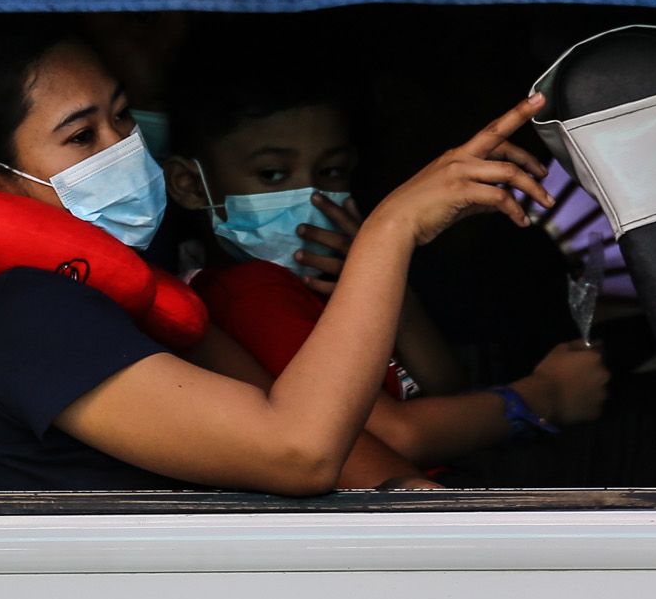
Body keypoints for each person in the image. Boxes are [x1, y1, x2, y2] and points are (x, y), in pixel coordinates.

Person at [0, 16, 552, 495]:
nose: (124, 147)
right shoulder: (20, 314)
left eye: (123, 116)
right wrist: (392, 227)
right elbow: (300, 451)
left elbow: (364, 462)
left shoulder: (130, 293)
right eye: (82, 137)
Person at [160, 42, 608, 472]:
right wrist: (546, 395)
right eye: (273, 174)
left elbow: (445, 391)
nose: (312, 196)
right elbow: (397, 436)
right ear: (190, 185)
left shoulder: (320, 283)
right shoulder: (250, 294)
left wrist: (377, 275)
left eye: (331, 171)